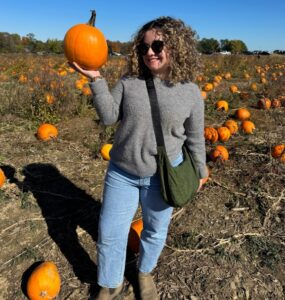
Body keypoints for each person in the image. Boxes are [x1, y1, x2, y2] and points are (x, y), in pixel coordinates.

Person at [71, 16, 208, 300]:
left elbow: (195, 137)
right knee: (110, 233)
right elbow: (109, 117)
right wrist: (96, 79)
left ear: (176, 46)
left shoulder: (191, 92)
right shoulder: (130, 82)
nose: (149, 52)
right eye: (143, 47)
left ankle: (144, 273)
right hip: (122, 172)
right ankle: (110, 283)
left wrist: (201, 170)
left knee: (155, 232)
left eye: (157, 45)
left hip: (163, 176)